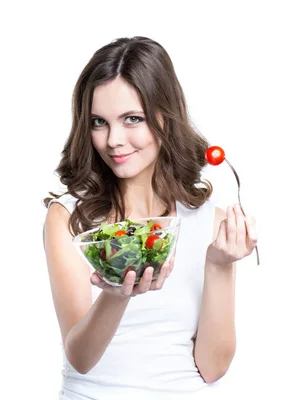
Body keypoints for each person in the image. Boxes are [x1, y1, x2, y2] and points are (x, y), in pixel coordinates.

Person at [42, 36, 258, 399]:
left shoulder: (209, 221)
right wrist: (116, 293)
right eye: (99, 122)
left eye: (132, 119)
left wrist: (219, 264)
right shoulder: (70, 218)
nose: (114, 140)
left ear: (165, 117)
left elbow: (212, 366)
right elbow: (80, 357)